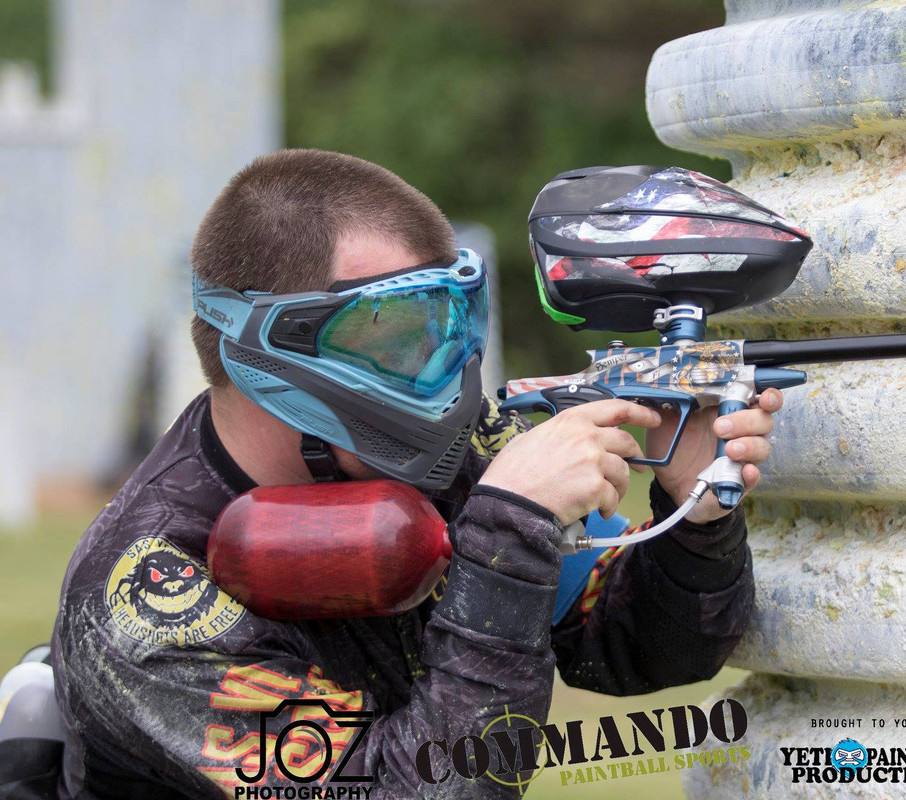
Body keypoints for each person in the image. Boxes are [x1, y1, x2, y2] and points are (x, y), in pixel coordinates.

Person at [50, 149, 782, 799]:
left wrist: (693, 511)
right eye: (397, 336)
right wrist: (505, 537)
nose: (447, 378)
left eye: (451, 323)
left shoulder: (462, 456)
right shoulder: (150, 604)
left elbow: (639, 649)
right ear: (274, 348)